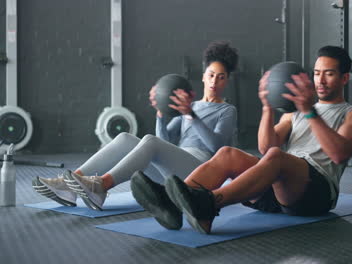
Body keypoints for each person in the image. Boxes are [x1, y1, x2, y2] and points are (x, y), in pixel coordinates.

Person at [131, 45, 352, 234]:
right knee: (227, 153)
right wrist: (266, 108)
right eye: (317, 73)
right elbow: (265, 147)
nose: (321, 80)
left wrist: (309, 112)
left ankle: (208, 204)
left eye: (329, 74)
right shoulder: (294, 111)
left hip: (315, 193)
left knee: (277, 157)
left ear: (345, 78)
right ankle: (170, 203)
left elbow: (339, 154)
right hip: (278, 185)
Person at [32, 41, 239, 214]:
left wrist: (190, 116)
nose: (214, 81)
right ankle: (68, 185)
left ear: (227, 81)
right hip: (175, 172)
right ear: (203, 76)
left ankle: (101, 186)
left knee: (149, 141)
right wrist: (160, 113)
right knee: (125, 138)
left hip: (201, 173)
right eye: (211, 74)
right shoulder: (190, 107)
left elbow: (216, 146)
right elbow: (164, 141)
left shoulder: (226, 110)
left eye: (221, 77)